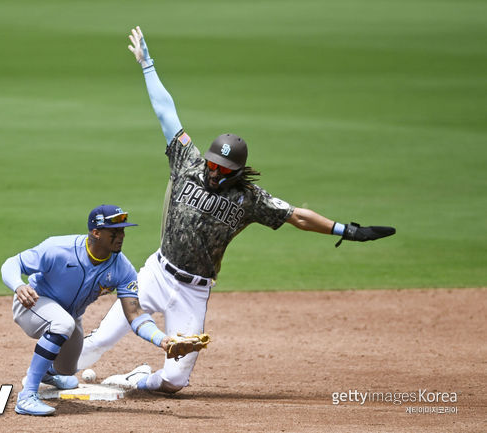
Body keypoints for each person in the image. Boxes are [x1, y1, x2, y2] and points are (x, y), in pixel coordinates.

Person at [75, 27, 396, 394]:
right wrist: (147, 64)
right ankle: (46, 378)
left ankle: (135, 381)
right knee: (97, 343)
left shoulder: (250, 200)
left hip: (194, 292)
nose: (214, 172)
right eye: (212, 165)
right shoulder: (187, 162)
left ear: (238, 172)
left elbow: (297, 216)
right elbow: (166, 111)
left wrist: (346, 230)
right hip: (155, 274)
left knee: (175, 380)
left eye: (223, 170)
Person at [1, 204, 174, 415]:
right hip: (31, 305)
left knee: (68, 369)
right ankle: (27, 396)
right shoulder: (58, 249)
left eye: (122, 230)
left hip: (69, 318)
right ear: (96, 232)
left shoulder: (122, 268)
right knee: (62, 323)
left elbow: (135, 313)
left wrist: (162, 339)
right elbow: (12, 263)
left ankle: (47, 372)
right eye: (115, 231)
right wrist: (19, 286)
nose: (121, 236)